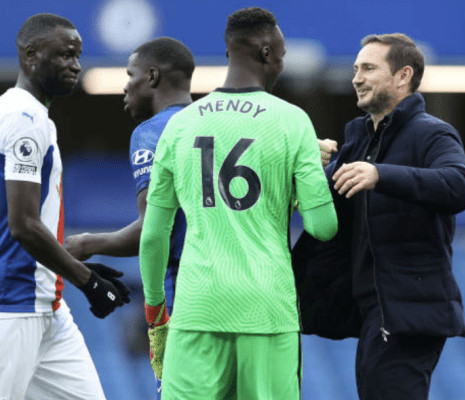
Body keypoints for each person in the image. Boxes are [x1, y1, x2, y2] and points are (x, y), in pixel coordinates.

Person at [139, 6, 337, 399]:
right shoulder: (292, 121)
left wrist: (156, 311)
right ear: (266, 53)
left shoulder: (180, 125)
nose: (281, 63)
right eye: (280, 55)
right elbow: (322, 226)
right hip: (266, 309)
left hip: (197, 309)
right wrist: (299, 183)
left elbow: (153, 236)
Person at [293, 33, 465, 400]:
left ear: (403, 76)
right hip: (376, 312)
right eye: (355, 68)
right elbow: (325, 204)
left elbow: (461, 184)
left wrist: (381, 175)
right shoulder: (359, 142)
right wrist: (306, 164)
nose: (356, 77)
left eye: (368, 68)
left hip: (408, 312)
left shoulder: (431, 133)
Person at [0, 13, 130, 400]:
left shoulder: (35, 117)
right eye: (64, 56)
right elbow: (22, 224)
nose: (75, 65)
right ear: (30, 55)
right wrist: (86, 281)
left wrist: (73, 268)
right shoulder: (23, 119)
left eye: (77, 55)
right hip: (14, 304)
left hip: (47, 306)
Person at [65, 36, 194, 396]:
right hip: (247, 299)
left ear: (151, 76)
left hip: (186, 298)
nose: (124, 86)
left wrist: (89, 243)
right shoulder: (222, 127)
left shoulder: (153, 132)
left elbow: (155, 229)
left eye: (130, 74)